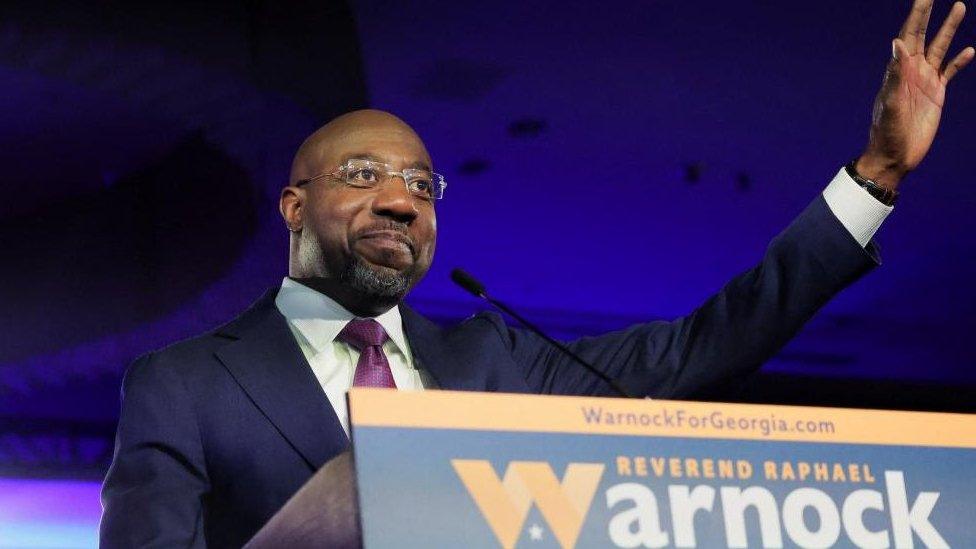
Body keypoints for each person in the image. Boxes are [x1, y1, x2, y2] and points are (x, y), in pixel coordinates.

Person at [100, 1, 973, 546]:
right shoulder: (183, 385)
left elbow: (701, 348)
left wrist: (876, 176)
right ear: (293, 206)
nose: (400, 202)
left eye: (418, 184)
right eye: (362, 177)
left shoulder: (494, 362)